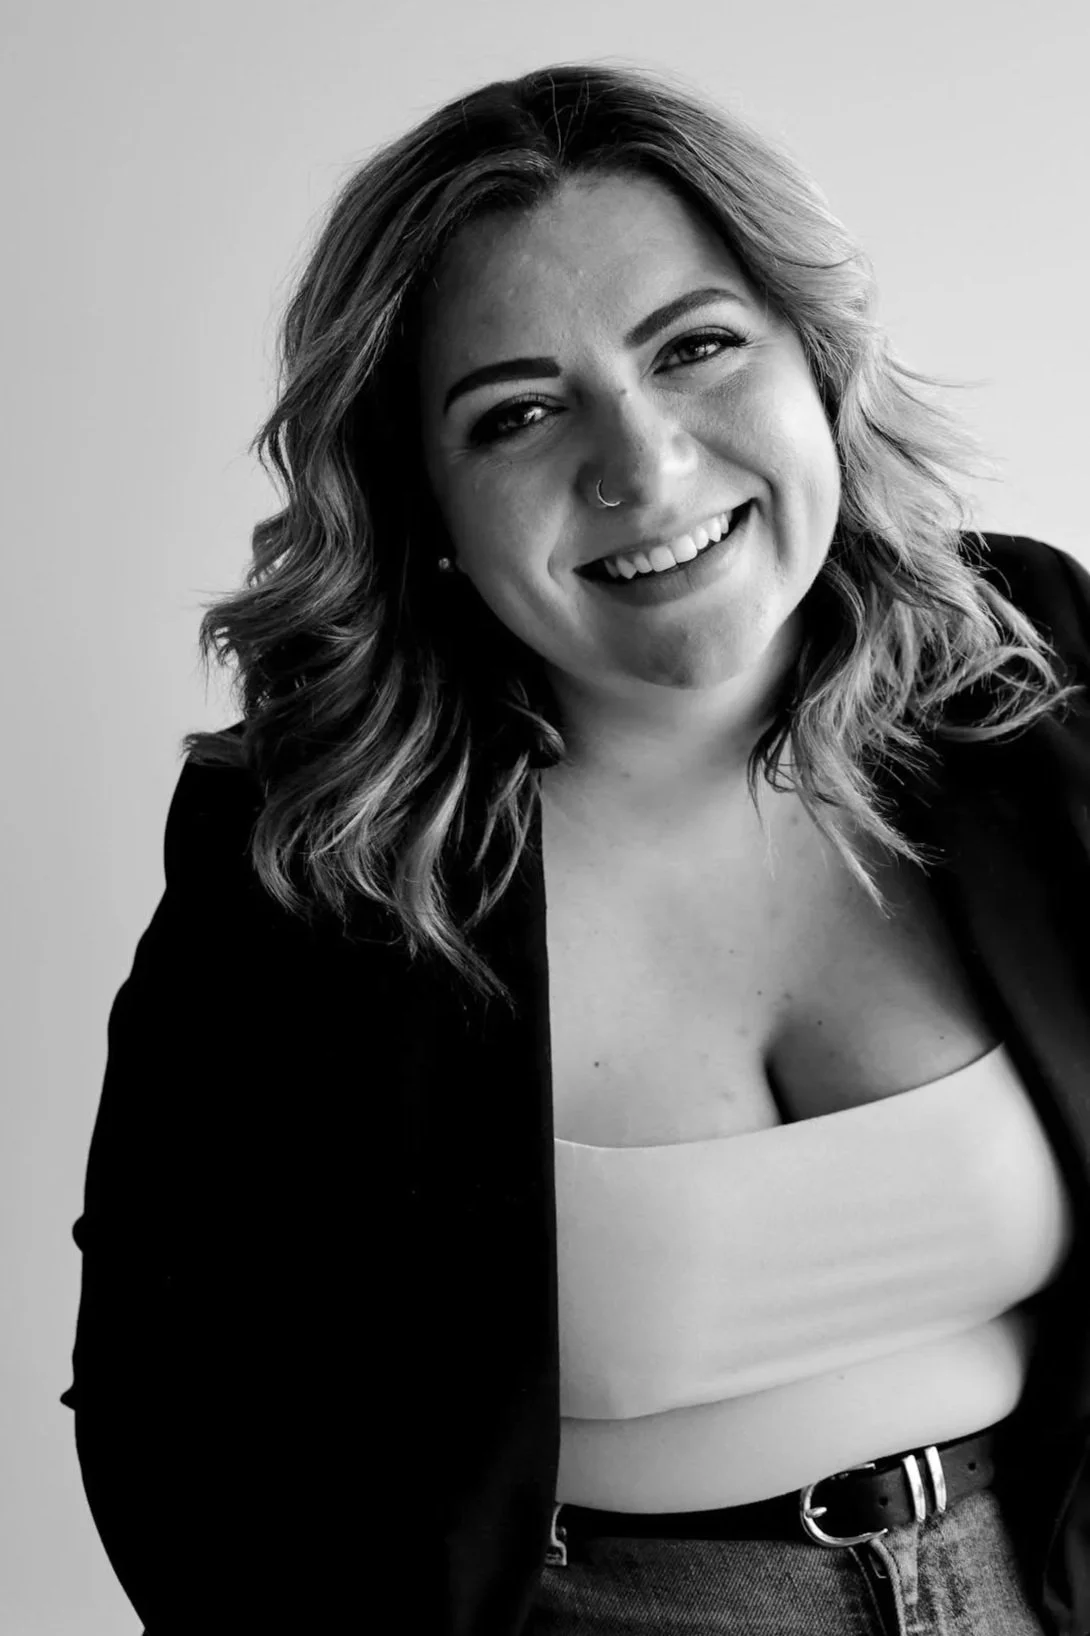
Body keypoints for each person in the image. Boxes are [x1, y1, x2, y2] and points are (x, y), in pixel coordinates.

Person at [59, 63, 1090, 1636]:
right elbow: (171, 1400)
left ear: (817, 360)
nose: (641, 466)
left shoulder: (1030, 664)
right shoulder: (315, 845)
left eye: (694, 349)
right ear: (425, 507)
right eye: (519, 412)